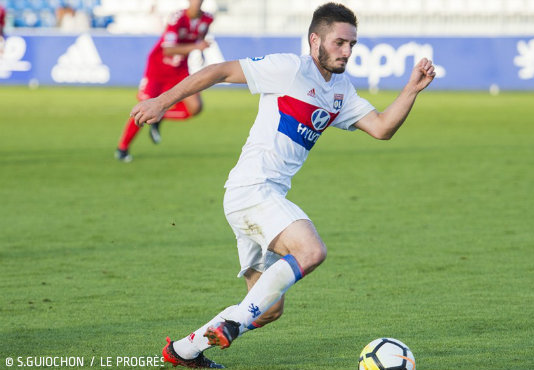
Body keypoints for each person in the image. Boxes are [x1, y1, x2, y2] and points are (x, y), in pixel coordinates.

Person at [131, 3, 435, 368]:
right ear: (315, 39)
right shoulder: (290, 68)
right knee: (311, 251)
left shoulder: (341, 91)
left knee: (268, 309)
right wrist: (163, 102)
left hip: (261, 200)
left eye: (352, 44)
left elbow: (382, 128)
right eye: (339, 42)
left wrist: (412, 89)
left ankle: (184, 350)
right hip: (253, 190)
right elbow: (218, 70)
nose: (347, 51)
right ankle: (232, 323)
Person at [115, 0, 214, 162]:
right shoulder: (177, 18)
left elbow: (199, 38)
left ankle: (160, 116)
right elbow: (168, 49)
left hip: (179, 71)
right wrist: (196, 47)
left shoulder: (207, 19)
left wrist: (200, 51)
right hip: (157, 69)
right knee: (143, 108)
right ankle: (122, 148)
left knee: (195, 107)